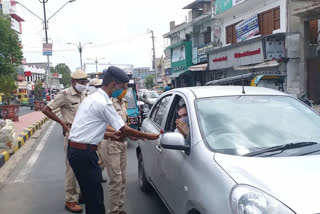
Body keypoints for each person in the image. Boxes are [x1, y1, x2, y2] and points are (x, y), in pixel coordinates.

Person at [67, 66, 159, 214]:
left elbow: (88, 128)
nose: (123, 90)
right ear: (113, 85)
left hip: (78, 152)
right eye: (122, 87)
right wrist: (148, 135)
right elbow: (124, 129)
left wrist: (110, 135)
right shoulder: (104, 103)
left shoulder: (92, 98)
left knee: (92, 196)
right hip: (84, 154)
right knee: (96, 199)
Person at [42, 70, 88, 213]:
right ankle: (70, 200)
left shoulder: (84, 94)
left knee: (85, 167)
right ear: (73, 82)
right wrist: (62, 123)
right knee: (72, 169)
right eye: (82, 82)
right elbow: (46, 109)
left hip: (86, 135)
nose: (84, 84)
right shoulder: (64, 95)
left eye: (85, 82)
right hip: (72, 135)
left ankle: (81, 194)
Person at [99, 82, 130, 214]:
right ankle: (113, 211)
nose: (125, 90)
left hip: (122, 143)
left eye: (127, 87)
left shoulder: (124, 102)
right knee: (116, 180)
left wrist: (128, 134)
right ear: (116, 87)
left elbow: (124, 123)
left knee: (122, 179)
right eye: (123, 87)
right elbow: (104, 124)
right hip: (111, 142)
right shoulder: (108, 103)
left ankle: (120, 209)